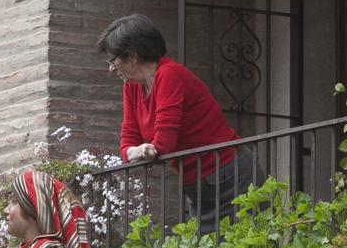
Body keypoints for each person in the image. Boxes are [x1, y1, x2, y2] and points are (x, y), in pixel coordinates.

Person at [99, 14, 263, 234]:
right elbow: (127, 142)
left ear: (133, 55)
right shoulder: (132, 87)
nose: (111, 69)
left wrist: (141, 150)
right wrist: (138, 150)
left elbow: (164, 144)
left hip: (230, 176)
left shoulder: (169, 75)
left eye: (113, 60)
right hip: (199, 184)